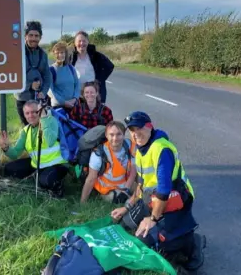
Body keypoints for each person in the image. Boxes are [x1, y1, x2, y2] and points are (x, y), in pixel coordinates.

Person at [109, 111, 205, 272]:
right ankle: (165, 232)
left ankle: (192, 242)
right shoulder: (140, 150)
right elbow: (141, 185)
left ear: (149, 127)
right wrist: (126, 207)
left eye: (139, 128)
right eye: (131, 130)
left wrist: (152, 219)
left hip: (176, 199)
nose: (135, 133)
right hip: (153, 199)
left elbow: (164, 189)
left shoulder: (161, 149)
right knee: (126, 223)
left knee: (146, 241)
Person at [0, 100, 68, 197]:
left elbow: (50, 141)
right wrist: (6, 148)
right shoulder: (26, 130)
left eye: (34, 112)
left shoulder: (51, 121)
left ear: (40, 111)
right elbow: (15, 154)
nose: (30, 115)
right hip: (37, 165)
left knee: (44, 181)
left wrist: (43, 118)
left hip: (56, 165)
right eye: (27, 113)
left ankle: (57, 187)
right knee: (9, 168)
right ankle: (38, 177)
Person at [80, 121, 136, 204]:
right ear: (106, 135)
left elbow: (133, 171)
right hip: (107, 188)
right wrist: (82, 202)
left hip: (125, 183)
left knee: (144, 192)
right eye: (111, 135)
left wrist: (126, 189)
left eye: (119, 134)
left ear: (124, 134)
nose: (115, 138)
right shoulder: (99, 153)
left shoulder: (130, 145)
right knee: (125, 201)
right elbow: (91, 179)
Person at [14, 20, 53, 126]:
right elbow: (13, 77)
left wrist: (44, 92)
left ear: (40, 37)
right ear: (25, 36)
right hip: (23, 98)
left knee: (42, 128)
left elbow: (47, 76)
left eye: (36, 36)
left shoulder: (43, 55)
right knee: (27, 129)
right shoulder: (18, 53)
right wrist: (29, 85)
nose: (33, 38)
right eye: (30, 35)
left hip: (38, 99)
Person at [71, 31, 114, 103]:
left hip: (93, 96)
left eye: (84, 41)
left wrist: (100, 79)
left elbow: (109, 66)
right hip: (77, 97)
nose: (82, 43)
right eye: (79, 41)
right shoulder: (71, 58)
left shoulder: (96, 56)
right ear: (75, 43)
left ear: (88, 42)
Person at [47, 41, 80, 109]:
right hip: (58, 107)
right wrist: (64, 102)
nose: (60, 55)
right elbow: (50, 90)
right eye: (57, 53)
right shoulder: (51, 70)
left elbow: (77, 84)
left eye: (62, 52)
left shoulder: (71, 68)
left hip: (73, 105)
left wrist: (74, 99)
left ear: (65, 54)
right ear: (54, 54)